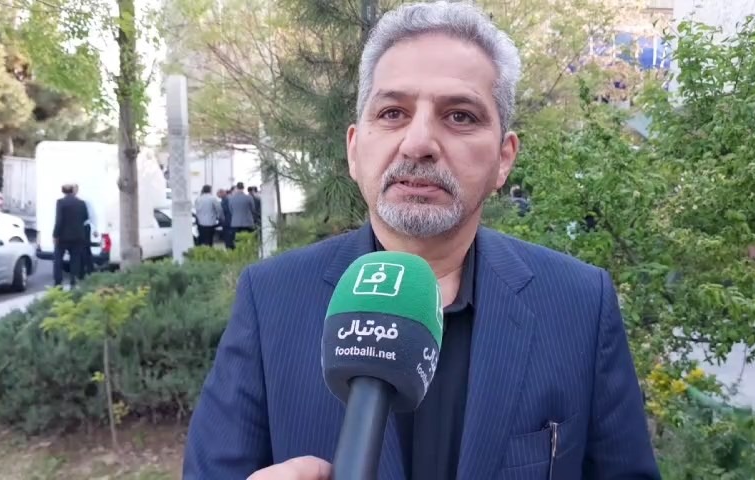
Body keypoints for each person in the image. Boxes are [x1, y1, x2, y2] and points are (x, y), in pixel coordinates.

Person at [183, 2, 660, 480]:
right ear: (354, 150)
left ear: (503, 159)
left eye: (460, 116)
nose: (418, 143)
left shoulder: (580, 304)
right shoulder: (271, 300)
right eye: (392, 112)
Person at [52, 183, 89, 288]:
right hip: (78, 236)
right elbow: (86, 217)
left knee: (58, 259)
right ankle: (74, 282)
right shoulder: (81, 203)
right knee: (75, 260)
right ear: (73, 191)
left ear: (63, 191)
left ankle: (58, 283)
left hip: (63, 237)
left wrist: (55, 235)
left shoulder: (60, 202)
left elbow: (59, 220)